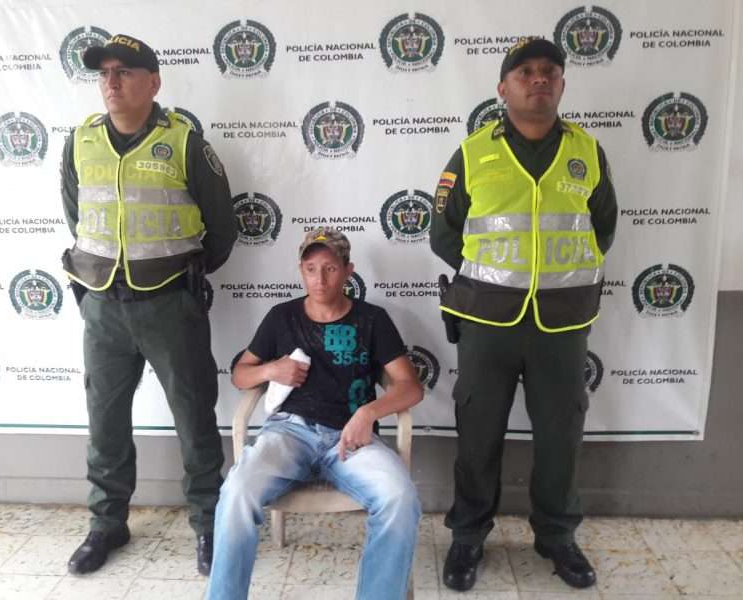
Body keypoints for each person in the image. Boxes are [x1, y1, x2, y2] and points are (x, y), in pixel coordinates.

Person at [430, 38, 617, 591]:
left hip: (562, 324)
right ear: (503, 88)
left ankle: (556, 536)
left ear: (561, 85)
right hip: (487, 324)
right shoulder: (472, 154)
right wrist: (493, 279)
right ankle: (468, 536)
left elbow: (602, 228)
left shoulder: (587, 150)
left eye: (550, 72)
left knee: (561, 436)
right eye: (526, 72)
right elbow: (444, 234)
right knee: (478, 435)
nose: (539, 79)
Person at [59, 33, 235, 576]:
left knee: (194, 416)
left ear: (154, 82)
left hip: (169, 305)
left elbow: (222, 228)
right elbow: (76, 213)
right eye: (104, 73)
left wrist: (184, 274)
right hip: (102, 308)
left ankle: (209, 523)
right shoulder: (80, 141)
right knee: (104, 421)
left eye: (125, 72)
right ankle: (107, 522)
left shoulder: (184, 142)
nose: (111, 82)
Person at [206, 228, 423, 600]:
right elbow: (241, 375)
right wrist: (271, 370)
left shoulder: (372, 319)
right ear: (301, 271)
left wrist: (368, 413)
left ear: (349, 271)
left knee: (400, 498)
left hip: (352, 440)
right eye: (310, 269)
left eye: (330, 268)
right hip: (290, 434)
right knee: (237, 490)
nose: (319, 279)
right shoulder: (282, 317)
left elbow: (410, 387)